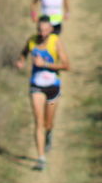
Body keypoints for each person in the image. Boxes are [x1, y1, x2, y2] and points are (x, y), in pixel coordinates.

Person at [16, 15, 70, 170]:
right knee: (38, 122)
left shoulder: (56, 42)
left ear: (51, 29)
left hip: (53, 86)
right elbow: (24, 52)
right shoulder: (32, 41)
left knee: (48, 122)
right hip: (36, 85)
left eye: (45, 29)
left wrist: (45, 64)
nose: (42, 32)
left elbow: (66, 65)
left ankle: (49, 133)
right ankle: (41, 158)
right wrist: (20, 61)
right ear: (37, 28)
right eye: (40, 29)